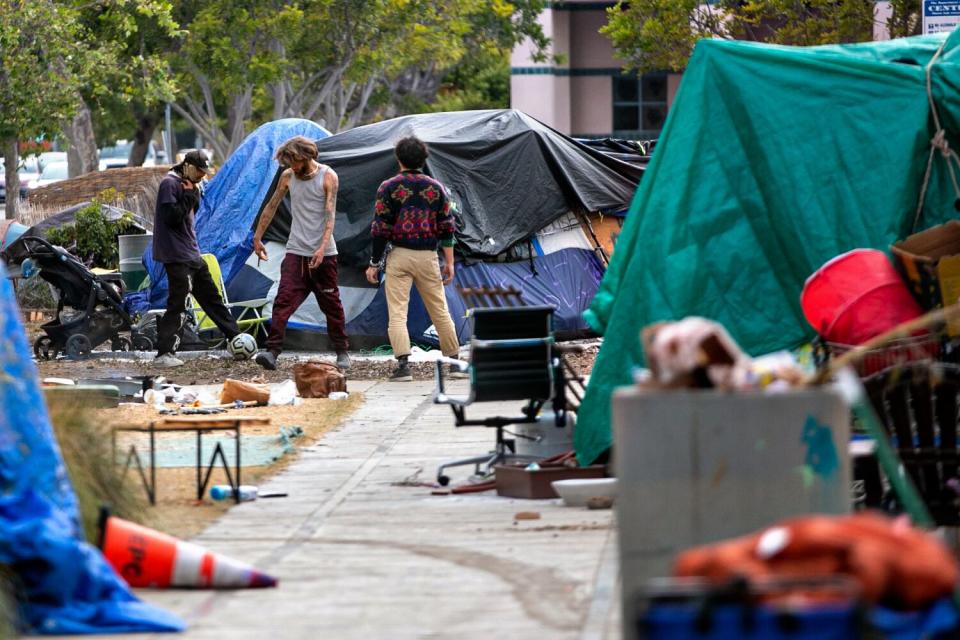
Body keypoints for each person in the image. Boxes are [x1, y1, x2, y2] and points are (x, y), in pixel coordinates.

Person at [365, 136, 464, 382]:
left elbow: (380, 229)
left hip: (399, 255)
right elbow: (447, 228)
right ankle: (454, 363)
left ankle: (403, 367)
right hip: (429, 257)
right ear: (424, 158)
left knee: (398, 312)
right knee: (440, 309)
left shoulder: (388, 187)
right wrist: (449, 262)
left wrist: (374, 263)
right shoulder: (436, 188)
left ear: (398, 158)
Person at [253, 136, 351, 371]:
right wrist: (257, 237)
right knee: (283, 300)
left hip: (324, 254)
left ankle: (342, 351)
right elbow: (271, 206)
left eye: (295, 162)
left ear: (306, 156)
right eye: (289, 163)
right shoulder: (288, 177)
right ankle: (272, 352)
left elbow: (330, 215)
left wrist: (321, 248)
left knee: (331, 304)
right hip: (296, 251)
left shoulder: (328, 176)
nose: (292, 167)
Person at [153, 150, 241, 367]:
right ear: (188, 165)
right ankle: (164, 353)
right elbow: (172, 218)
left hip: (192, 253)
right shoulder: (169, 183)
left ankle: (236, 338)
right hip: (175, 255)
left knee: (213, 299)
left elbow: (191, 211)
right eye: (199, 171)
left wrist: (194, 195)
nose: (202, 175)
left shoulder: (190, 184)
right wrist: (190, 197)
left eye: (204, 172)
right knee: (178, 304)